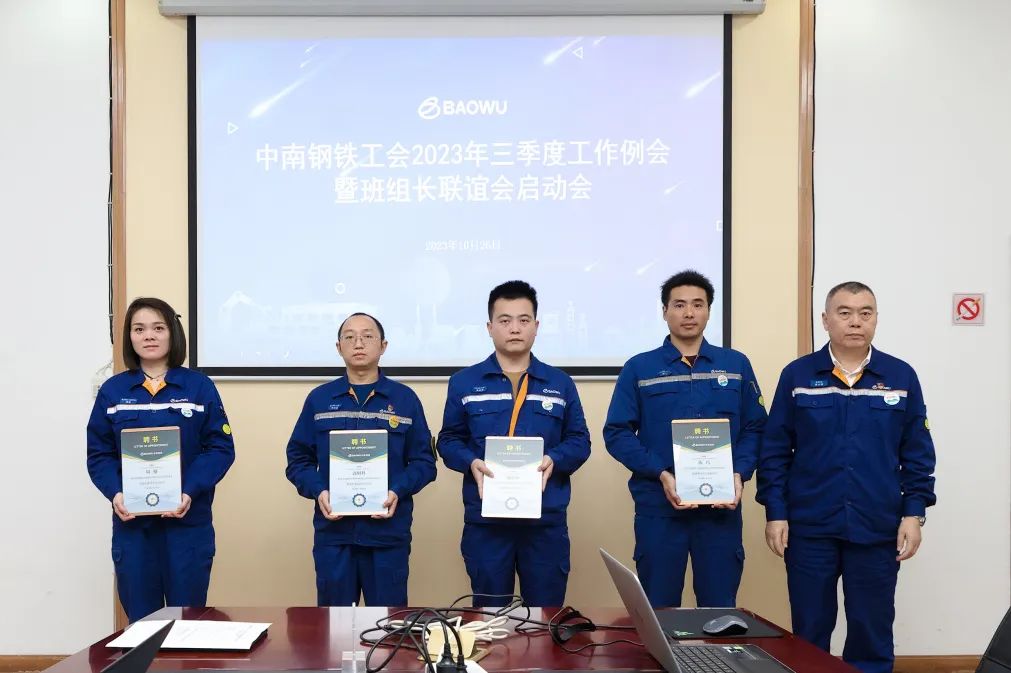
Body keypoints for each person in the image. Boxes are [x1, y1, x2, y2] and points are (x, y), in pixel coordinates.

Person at [757, 281, 936, 673]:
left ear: (875, 320)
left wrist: (913, 513)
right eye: (845, 313)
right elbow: (774, 451)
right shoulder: (798, 375)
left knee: (872, 633)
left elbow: (917, 452)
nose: (856, 322)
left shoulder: (900, 376)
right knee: (809, 634)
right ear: (826, 320)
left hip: (877, 527)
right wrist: (776, 512)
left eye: (865, 313)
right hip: (810, 527)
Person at [603, 270, 767, 608]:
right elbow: (617, 433)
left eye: (697, 304)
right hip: (659, 510)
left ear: (709, 311)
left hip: (720, 511)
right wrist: (661, 473)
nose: (689, 313)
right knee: (659, 609)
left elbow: (756, 427)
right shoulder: (639, 368)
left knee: (719, 610)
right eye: (679, 305)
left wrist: (739, 473)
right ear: (665, 311)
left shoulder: (735, 365)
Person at [437, 280, 591, 607]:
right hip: (486, 523)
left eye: (523, 320)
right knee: (490, 618)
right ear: (490, 327)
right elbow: (448, 440)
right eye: (505, 320)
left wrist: (555, 459)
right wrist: (471, 462)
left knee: (544, 617)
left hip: (545, 520)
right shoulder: (464, 382)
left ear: (536, 326)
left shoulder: (560, 383)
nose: (515, 328)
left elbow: (580, 441)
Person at [87, 297, 235, 622]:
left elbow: (220, 448)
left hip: (187, 525)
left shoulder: (199, 387)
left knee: (188, 622)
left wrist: (189, 491)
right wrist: (116, 493)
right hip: (134, 529)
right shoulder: (113, 391)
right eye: (139, 329)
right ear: (129, 336)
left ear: (172, 334)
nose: (149, 336)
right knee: (143, 625)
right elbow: (99, 454)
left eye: (158, 328)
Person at [285, 312, 436, 606]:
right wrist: (319, 490)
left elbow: (424, 462)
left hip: (387, 536)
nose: (358, 343)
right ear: (338, 347)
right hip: (334, 536)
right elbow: (298, 459)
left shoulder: (405, 399)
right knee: (335, 625)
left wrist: (397, 490)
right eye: (349, 337)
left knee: (388, 624)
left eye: (367, 336)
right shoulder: (319, 399)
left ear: (383, 346)